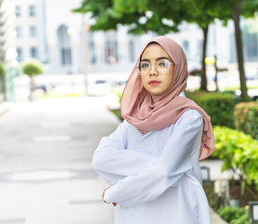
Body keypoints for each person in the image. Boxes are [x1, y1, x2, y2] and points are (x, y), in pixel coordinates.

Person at [92, 36, 215, 224]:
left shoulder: (189, 117)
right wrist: (171, 170)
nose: (153, 72)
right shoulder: (135, 117)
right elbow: (100, 159)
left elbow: (164, 173)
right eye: (145, 65)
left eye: (163, 64)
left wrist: (114, 192)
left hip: (176, 211)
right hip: (132, 215)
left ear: (178, 68)